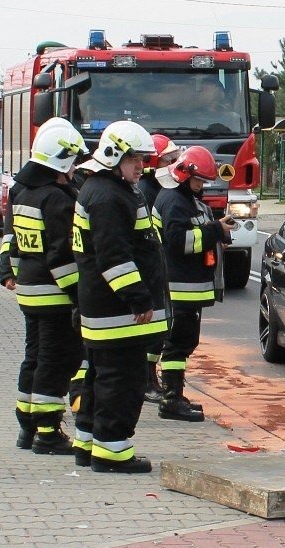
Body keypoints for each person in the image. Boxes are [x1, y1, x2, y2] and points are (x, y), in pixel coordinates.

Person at [73, 120, 166, 473]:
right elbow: (114, 256)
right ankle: (112, 452)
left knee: (98, 377)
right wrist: (138, 299)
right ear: (113, 155)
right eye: (134, 160)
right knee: (123, 381)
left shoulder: (104, 188)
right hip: (118, 313)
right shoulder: (109, 196)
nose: (141, 167)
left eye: (143, 159)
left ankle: (87, 443)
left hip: (103, 308)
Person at [0, 118, 88, 454]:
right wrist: (78, 295)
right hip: (54, 293)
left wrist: (14, 274)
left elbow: (15, 243)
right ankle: (48, 432)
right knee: (56, 359)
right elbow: (61, 256)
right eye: (73, 161)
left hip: (31, 291)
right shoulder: (56, 200)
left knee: (33, 357)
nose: (76, 167)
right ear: (61, 162)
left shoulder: (24, 193)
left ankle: (27, 426)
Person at [153, 145, 234, 422]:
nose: (202, 186)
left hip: (189, 286)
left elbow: (197, 228)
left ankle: (174, 394)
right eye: (199, 181)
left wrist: (218, 227)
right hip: (180, 287)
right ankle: (171, 399)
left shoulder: (186, 199)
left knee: (185, 342)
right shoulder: (175, 201)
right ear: (185, 175)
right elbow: (179, 242)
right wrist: (214, 230)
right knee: (177, 344)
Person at [138, 133, 181, 403]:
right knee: (154, 332)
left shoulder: (159, 188)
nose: (177, 162)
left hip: (158, 268)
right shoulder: (147, 191)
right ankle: (146, 380)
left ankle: (149, 378)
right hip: (149, 272)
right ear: (155, 162)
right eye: (171, 158)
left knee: (160, 330)